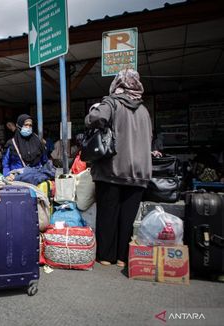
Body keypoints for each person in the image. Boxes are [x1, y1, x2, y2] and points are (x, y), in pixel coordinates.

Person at [84, 69, 152, 268]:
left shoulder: (112, 102)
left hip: (112, 170)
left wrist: (95, 109)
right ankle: (123, 257)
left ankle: (106, 256)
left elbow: (95, 119)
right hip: (139, 172)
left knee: (108, 213)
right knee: (127, 218)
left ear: (117, 83)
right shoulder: (144, 110)